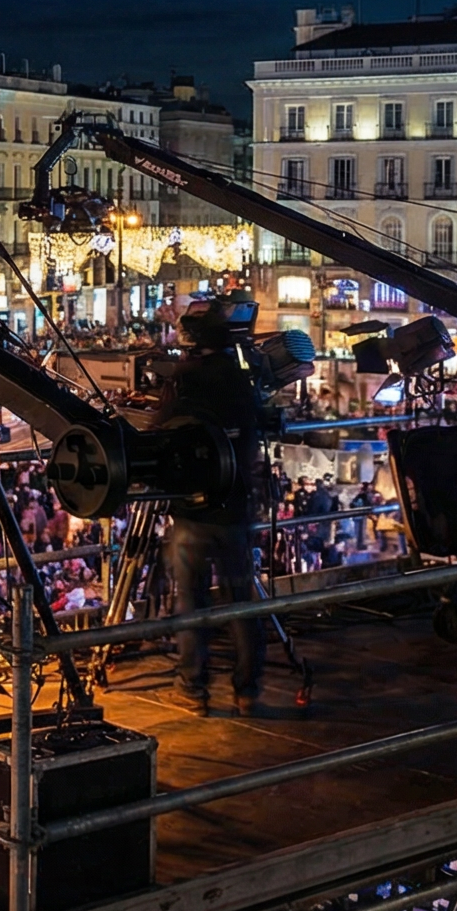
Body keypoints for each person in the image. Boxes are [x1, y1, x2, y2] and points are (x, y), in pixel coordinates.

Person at [156, 291, 269, 716]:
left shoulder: (188, 376)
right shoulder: (241, 378)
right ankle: (247, 690)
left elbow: (161, 425)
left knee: (191, 600)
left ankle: (193, 687)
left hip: (193, 509)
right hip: (236, 504)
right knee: (243, 599)